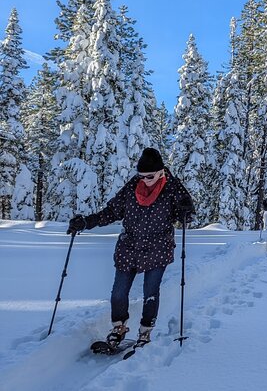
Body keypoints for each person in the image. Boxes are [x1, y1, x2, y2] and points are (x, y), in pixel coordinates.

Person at [67, 148, 194, 348]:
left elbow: (186, 216)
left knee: (150, 292)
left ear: (161, 172)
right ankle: (119, 328)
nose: (145, 179)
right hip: (129, 247)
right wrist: (85, 223)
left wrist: (186, 210)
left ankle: (145, 332)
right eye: (141, 175)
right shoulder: (133, 187)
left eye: (149, 176)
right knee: (118, 293)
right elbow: (111, 212)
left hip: (158, 247)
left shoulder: (173, 188)